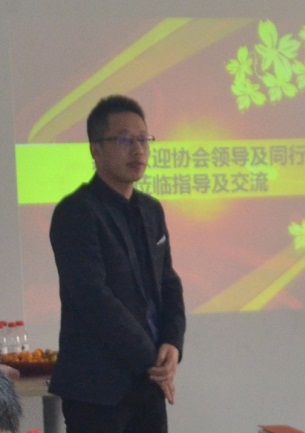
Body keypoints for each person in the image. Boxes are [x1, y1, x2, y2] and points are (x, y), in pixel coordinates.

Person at [49, 95, 186, 433]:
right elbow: (92, 297)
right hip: (97, 390)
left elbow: (168, 282)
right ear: (96, 149)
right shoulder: (76, 212)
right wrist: (151, 358)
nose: (138, 150)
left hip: (148, 384)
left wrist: (172, 343)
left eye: (143, 139)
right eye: (125, 140)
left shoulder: (151, 210)